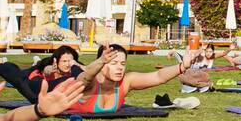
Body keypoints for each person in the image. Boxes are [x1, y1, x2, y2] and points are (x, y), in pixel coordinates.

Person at [68, 43, 200, 113]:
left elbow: (158, 76)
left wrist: (182, 66)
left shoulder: (125, 82)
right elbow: (85, 77)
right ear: (102, 64)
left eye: (123, 64)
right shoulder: (91, 83)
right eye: (114, 63)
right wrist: (101, 60)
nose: (120, 68)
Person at [0, 46, 82, 103]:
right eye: (64, 61)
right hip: (33, 79)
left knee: (18, 75)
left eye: (70, 61)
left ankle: (5, 63)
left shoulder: (76, 68)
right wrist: (51, 70)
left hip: (44, 94)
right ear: (56, 61)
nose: (68, 64)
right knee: (17, 77)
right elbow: (47, 70)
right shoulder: (51, 66)